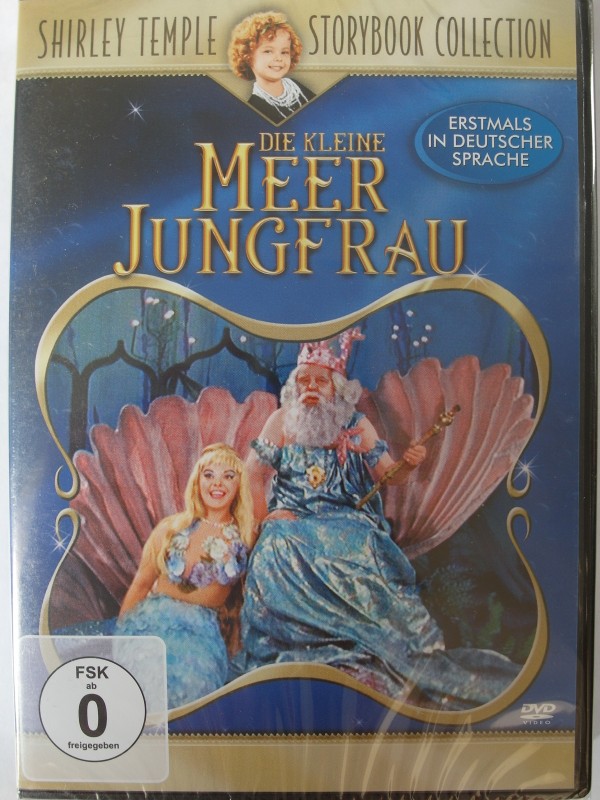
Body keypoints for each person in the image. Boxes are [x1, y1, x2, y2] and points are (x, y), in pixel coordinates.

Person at [236, 329, 520, 709]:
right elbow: (252, 473)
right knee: (275, 546)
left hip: (346, 520)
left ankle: (365, 653)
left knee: (362, 545)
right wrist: (264, 520)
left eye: (320, 381)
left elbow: (389, 474)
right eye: (304, 380)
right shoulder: (280, 422)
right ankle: (297, 654)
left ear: (336, 388)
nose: (311, 388)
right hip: (291, 521)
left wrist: (409, 464)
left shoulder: (355, 423)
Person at [116, 443, 255, 708]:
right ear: (197, 481)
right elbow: (141, 585)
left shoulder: (246, 536)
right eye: (209, 474)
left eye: (228, 476)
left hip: (200, 635)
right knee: (142, 682)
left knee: (190, 688)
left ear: (239, 485)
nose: (218, 483)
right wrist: (119, 640)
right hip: (151, 623)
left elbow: (244, 603)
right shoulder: (170, 528)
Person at [228, 12, 315, 123]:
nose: (278, 58)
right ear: (248, 56)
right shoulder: (253, 108)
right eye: (268, 51)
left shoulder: (296, 88)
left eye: (284, 52)